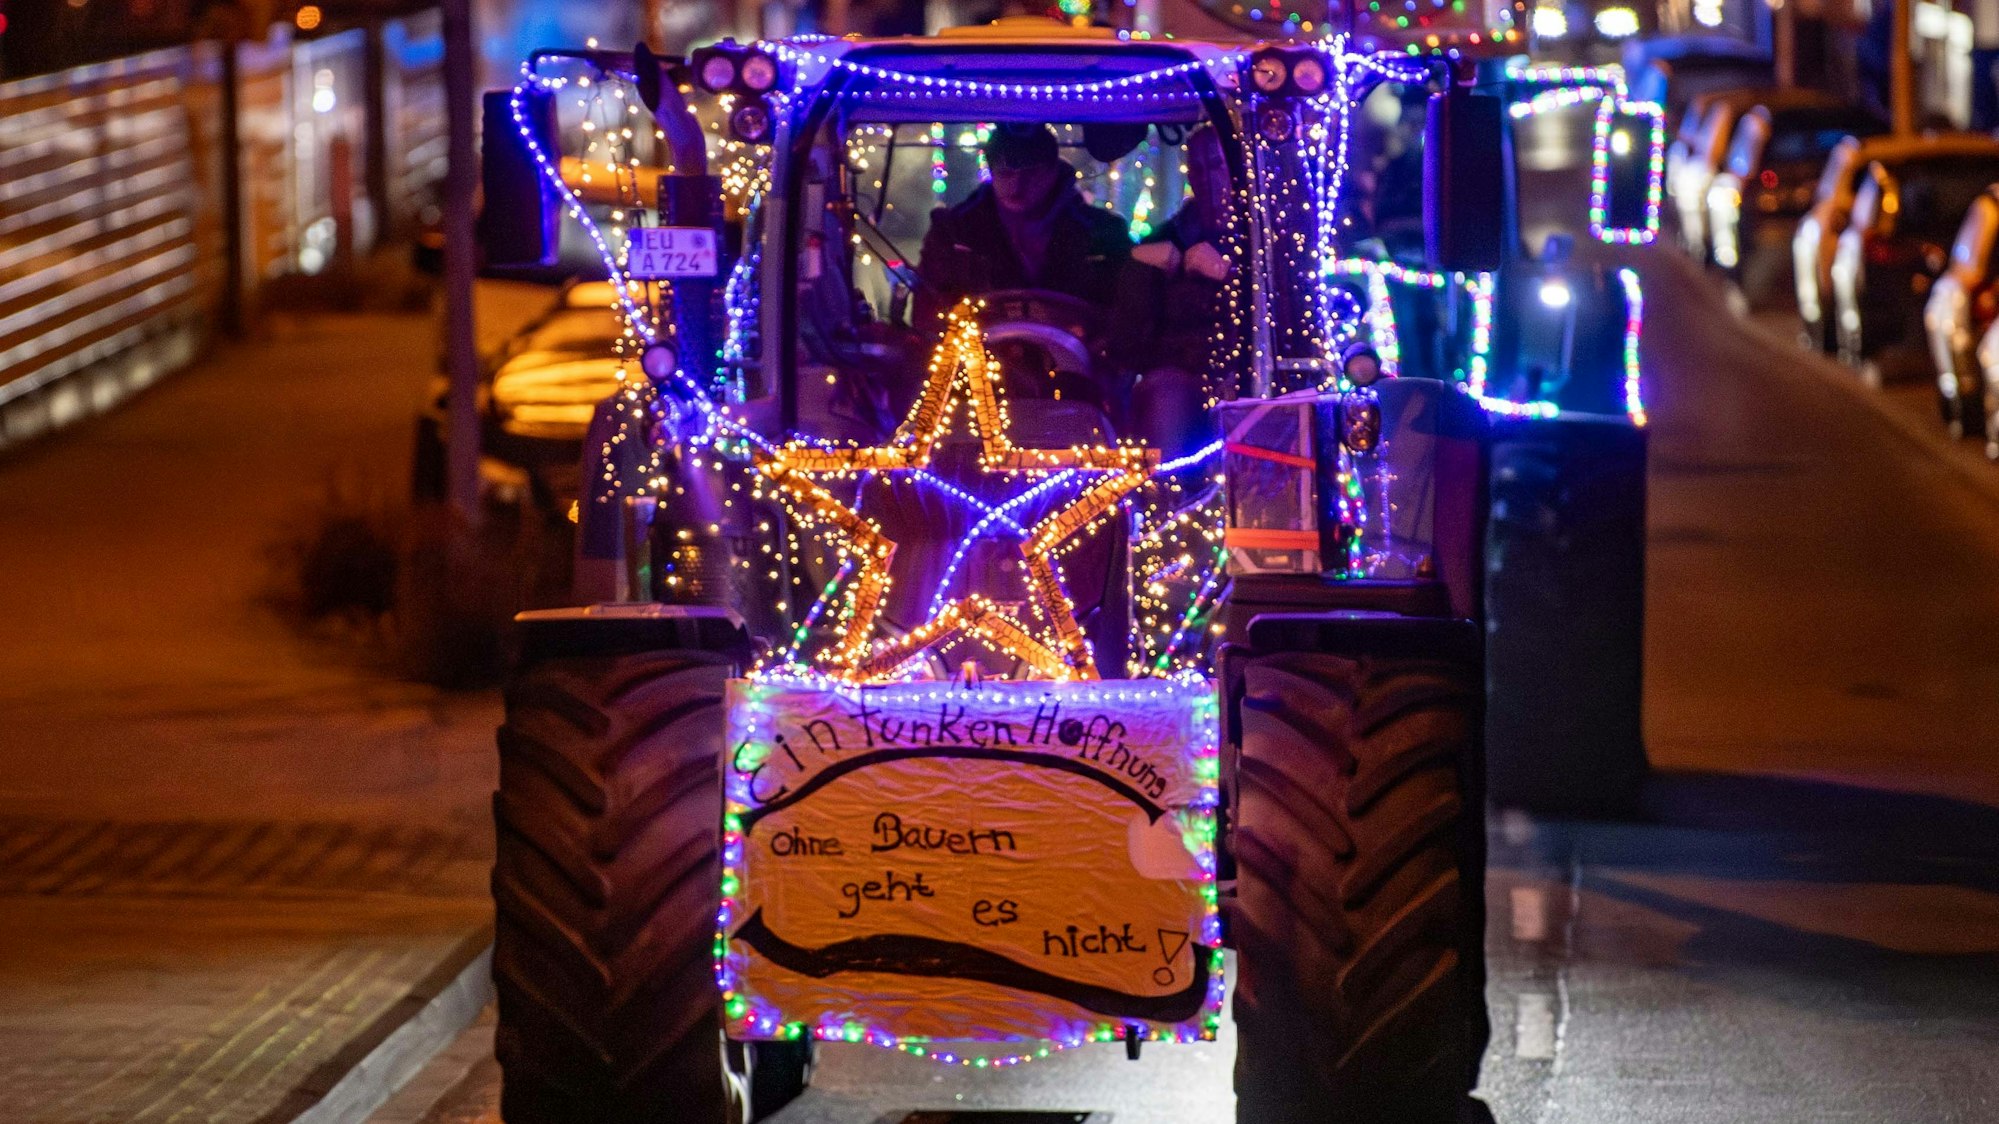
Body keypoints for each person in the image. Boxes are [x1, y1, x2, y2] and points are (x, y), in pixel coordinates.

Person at [914, 124, 1132, 330]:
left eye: (1031, 173)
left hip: (1078, 361)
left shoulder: (1104, 234)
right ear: (991, 172)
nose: (1016, 186)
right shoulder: (953, 233)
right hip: (976, 360)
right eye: (1005, 173)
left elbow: (1125, 316)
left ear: (1053, 171)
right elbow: (928, 314)